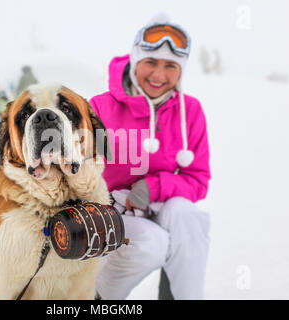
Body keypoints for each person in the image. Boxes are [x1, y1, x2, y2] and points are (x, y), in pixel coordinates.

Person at [89, 14, 211, 300]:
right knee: (152, 242)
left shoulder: (190, 111)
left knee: (187, 216)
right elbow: (77, 170)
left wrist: (153, 187)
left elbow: (198, 179)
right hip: (112, 212)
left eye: (171, 66)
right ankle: (99, 298)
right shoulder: (100, 107)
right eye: (151, 63)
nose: (159, 75)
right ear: (135, 62)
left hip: (159, 205)